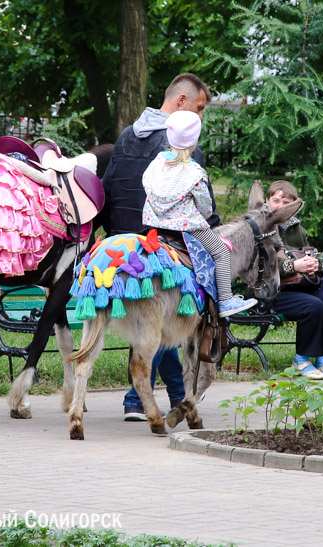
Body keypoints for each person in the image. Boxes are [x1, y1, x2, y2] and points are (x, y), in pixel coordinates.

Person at [101, 73, 217, 421]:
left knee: (153, 323)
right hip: (162, 245)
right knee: (176, 315)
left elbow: (110, 189)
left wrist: (116, 238)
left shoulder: (126, 136)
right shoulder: (178, 144)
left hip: (123, 246)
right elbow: (201, 204)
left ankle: (164, 398)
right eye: (198, 108)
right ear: (181, 102)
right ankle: (146, 398)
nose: (200, 118)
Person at [142, 111, 258, 318]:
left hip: (155, 225)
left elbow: (146, 189)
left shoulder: (156, 164)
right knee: (221, 251)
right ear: (194, 140)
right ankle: (225, 301)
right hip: (188, 227)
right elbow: (206, 208)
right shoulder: (195, 173)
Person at [264, 181, 323, 380]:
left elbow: (313, 254)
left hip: (298, 287)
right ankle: (301, 360)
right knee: (313, 305)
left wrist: (315, 264)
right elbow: (260, 268)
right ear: (267, 201)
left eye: (287, 203)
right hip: (268, 291)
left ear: (295, 207)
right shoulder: (259, 226)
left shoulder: (297, 229)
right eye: (276, 200)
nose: (281, 206)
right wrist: (293, 267)